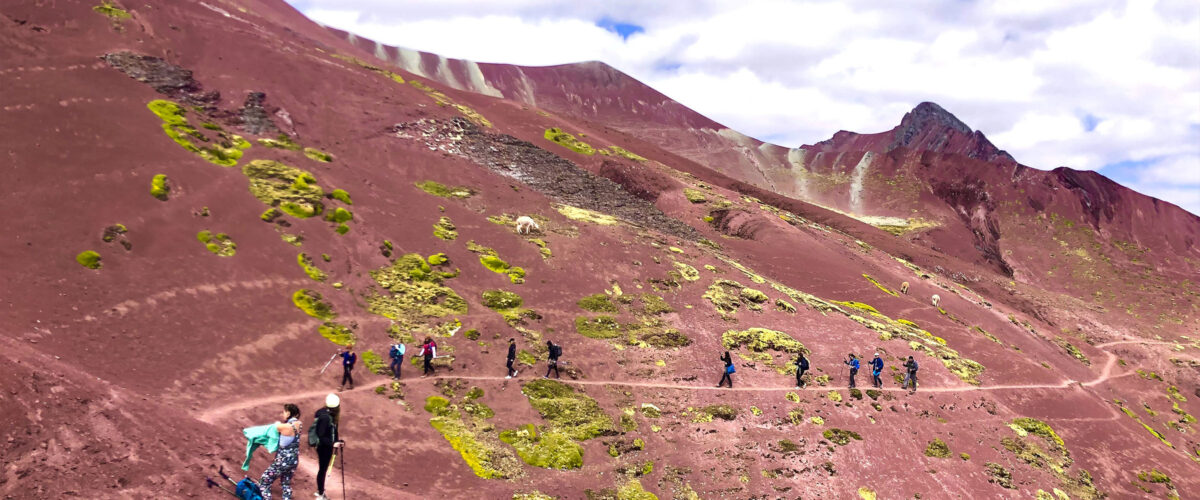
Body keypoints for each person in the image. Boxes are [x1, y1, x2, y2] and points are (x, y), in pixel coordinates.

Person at [259, 404, 301, 500]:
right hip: (293, 461)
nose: (282, 414)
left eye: (284, 412)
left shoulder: (285, 427)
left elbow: (274, 428)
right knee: (286, 484)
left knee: (264, 481)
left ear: (289, 413)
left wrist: (277, 424)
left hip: (282, 461)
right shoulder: (299, 424)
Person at [313, 394, 343, 500]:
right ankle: (320, 494)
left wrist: (337, 441)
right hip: (323, 447)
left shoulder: (324, 413)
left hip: (326, 446)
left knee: (323, 469)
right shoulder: (326, 417)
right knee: (323, 469)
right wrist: (332, 444)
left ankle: (320, 492)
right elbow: (321, 435)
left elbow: (333, 431)